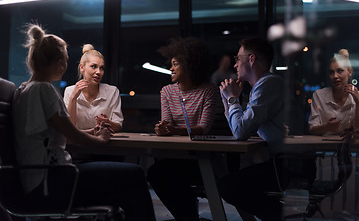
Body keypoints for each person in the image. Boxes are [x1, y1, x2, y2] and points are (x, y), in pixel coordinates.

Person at [12, 24, 155, 221]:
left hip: (39, 180)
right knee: (136, 174)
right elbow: (72, 136)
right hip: (52, 181)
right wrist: (102, 140)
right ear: (59, 62)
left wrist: (91, 131)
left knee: (125, 193)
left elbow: (64, 132)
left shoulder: (25, 89)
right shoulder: (44, 90)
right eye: (66, 61)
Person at [148, 37, 218, 221]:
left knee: (162, 174)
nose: (171, 68)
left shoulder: (208, 90)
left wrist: (174, 130)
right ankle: (188, 218)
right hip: (176, 156)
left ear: (189, 65)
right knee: (155, 173)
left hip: (203, 158)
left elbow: (203, 127)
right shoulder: (167, 91)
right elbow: (166, 122)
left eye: (175, 64)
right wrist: (162, 129)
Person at [217, 37, 285, 221]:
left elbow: (240, 132)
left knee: (228, 186)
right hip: (281, 162)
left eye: (238, 58)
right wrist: (229, 101)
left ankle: (282, 217)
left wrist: (233, 100)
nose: (235, 63)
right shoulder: (260, 87)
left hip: (289, 165)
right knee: (229, 183)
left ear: (252, 59)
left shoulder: (268, 83)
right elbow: (238, 130)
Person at [64, 44, 123, 133]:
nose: (98, 72)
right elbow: (69, 128)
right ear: (82, 67)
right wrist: (73, 98)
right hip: (78, 143)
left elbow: (118, 127)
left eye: (101, 68)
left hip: (104, 143)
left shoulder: (112, 91)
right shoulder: (70, 91)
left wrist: (108, 123)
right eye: (94, 66)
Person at [309, 49, 359, 135]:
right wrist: (326, 127)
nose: (335, 76)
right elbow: (312, 129)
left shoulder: (358, 96)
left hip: (351, 147)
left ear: (350, 72)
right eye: (331, 72)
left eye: (340, 71)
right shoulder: (319, 95)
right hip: (324, 147)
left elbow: (358, 131)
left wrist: (358, 103)